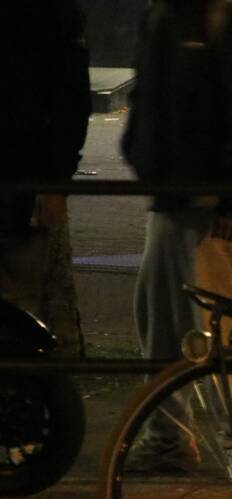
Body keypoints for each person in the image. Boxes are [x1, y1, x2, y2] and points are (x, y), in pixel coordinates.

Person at [122, 0, 232, 472]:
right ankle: (170, 439)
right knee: (162, 324)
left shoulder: (222, 25)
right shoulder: (173, 18)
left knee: (223, 331)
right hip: (174, 199)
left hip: (208, 206)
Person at [0, 1, 91, 358]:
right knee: (30, 300)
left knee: (27, 297)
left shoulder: (54, 17)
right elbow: (71, 102)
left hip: (24, 177)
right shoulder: (58, 17)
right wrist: (57, 182)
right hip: (27, 175)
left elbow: (70, 102)